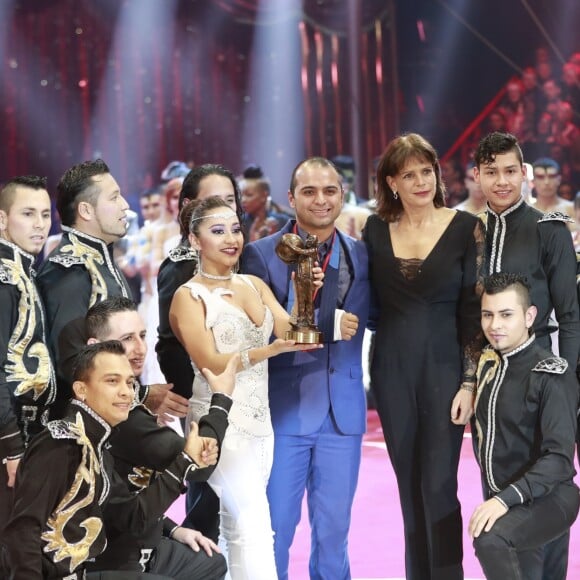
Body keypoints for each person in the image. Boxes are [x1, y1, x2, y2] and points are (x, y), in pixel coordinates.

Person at [170, 196, 323, 579]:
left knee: (237, 526)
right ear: (194, 239)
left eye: (236, 229)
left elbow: (294, 332)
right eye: (217, 231)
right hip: (218, 423)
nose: (231, 239)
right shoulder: (188, 297)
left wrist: (305, 286)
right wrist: (267, 351)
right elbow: (210, 365)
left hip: (260, 422)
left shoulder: (254, 284)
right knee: (255, 525)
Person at [363, 133, 485, 579]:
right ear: (392, 182)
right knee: (408, 489)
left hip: (445, 370)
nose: (420, 181)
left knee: (439, 486)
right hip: (391, 371)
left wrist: (470, 382)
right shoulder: (374, 229)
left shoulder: (465, 227)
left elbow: (474, 314)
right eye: (409, 174)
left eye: (427, 171)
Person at [243, 156, 369, 580]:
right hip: (285, 412)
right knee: (276, 530)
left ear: (343, 195)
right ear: (291, 197)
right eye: (310, 191)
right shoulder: (259, 256)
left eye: (330, 191)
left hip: (343, 413)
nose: (321, 200)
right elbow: (254, 334)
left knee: (335, 533)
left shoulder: (361, 255)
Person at [1, 341, 213, 580]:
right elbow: (22, 532)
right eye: (112, 381)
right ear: (81, 390)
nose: (126, 392)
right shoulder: (61, 443)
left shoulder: (99, 447)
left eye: (130, 383)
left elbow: (133, 517)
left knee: (210, 564)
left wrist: (184, 461)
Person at [83, 297, 229, 579]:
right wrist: (221, 400)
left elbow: (125, 500)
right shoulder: (122, 419)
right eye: (127, 339)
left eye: (142, 336)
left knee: (211, 561)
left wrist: (172, 528)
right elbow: (200, 466)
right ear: (94, 347)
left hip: (141, 537)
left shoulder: (131, 409)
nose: (139, 349)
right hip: (112, 559)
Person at [36, 159, 188, 422]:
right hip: (85, 430)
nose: (125, 206)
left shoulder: (99, 258)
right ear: (86, 210)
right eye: (114, 197)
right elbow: (72, 363)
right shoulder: (70, 270)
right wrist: (140, 396)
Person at [470, 273, 579, 579]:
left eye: (506, 315)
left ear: (530, 316)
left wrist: (504, 500)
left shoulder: (551, 374)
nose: (495, 325)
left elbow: (559, 461)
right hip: (510, 500)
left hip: (550, 497)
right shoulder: (489, 368)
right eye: (487, 315)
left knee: (491, 540)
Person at [155, 163, 242, 540]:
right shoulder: (178, 268)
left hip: (244, 398)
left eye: (230, 200)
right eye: (214, 201)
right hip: (208, 400)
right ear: (188, 206)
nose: (225, 208)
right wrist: (196, 398)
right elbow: (168, 343)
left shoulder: (240, 258)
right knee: (207, 504)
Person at [473, 132, 580, 367]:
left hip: (535, 368)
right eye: (491, 172)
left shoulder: (551, 230)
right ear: (477, 175)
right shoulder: (467, 231)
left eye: (510, 171)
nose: (502, 181)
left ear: (523, 173)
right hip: (476, 371)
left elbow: (570, 317)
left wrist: (567, 385)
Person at [0, 176, 56, 532]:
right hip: (12, 441)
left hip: (31, 434)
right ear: (2, 220)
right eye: (28, 213)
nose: (40, 224)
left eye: (46, 214)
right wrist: (12, 447)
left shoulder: (25, 272)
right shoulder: (5, 279)